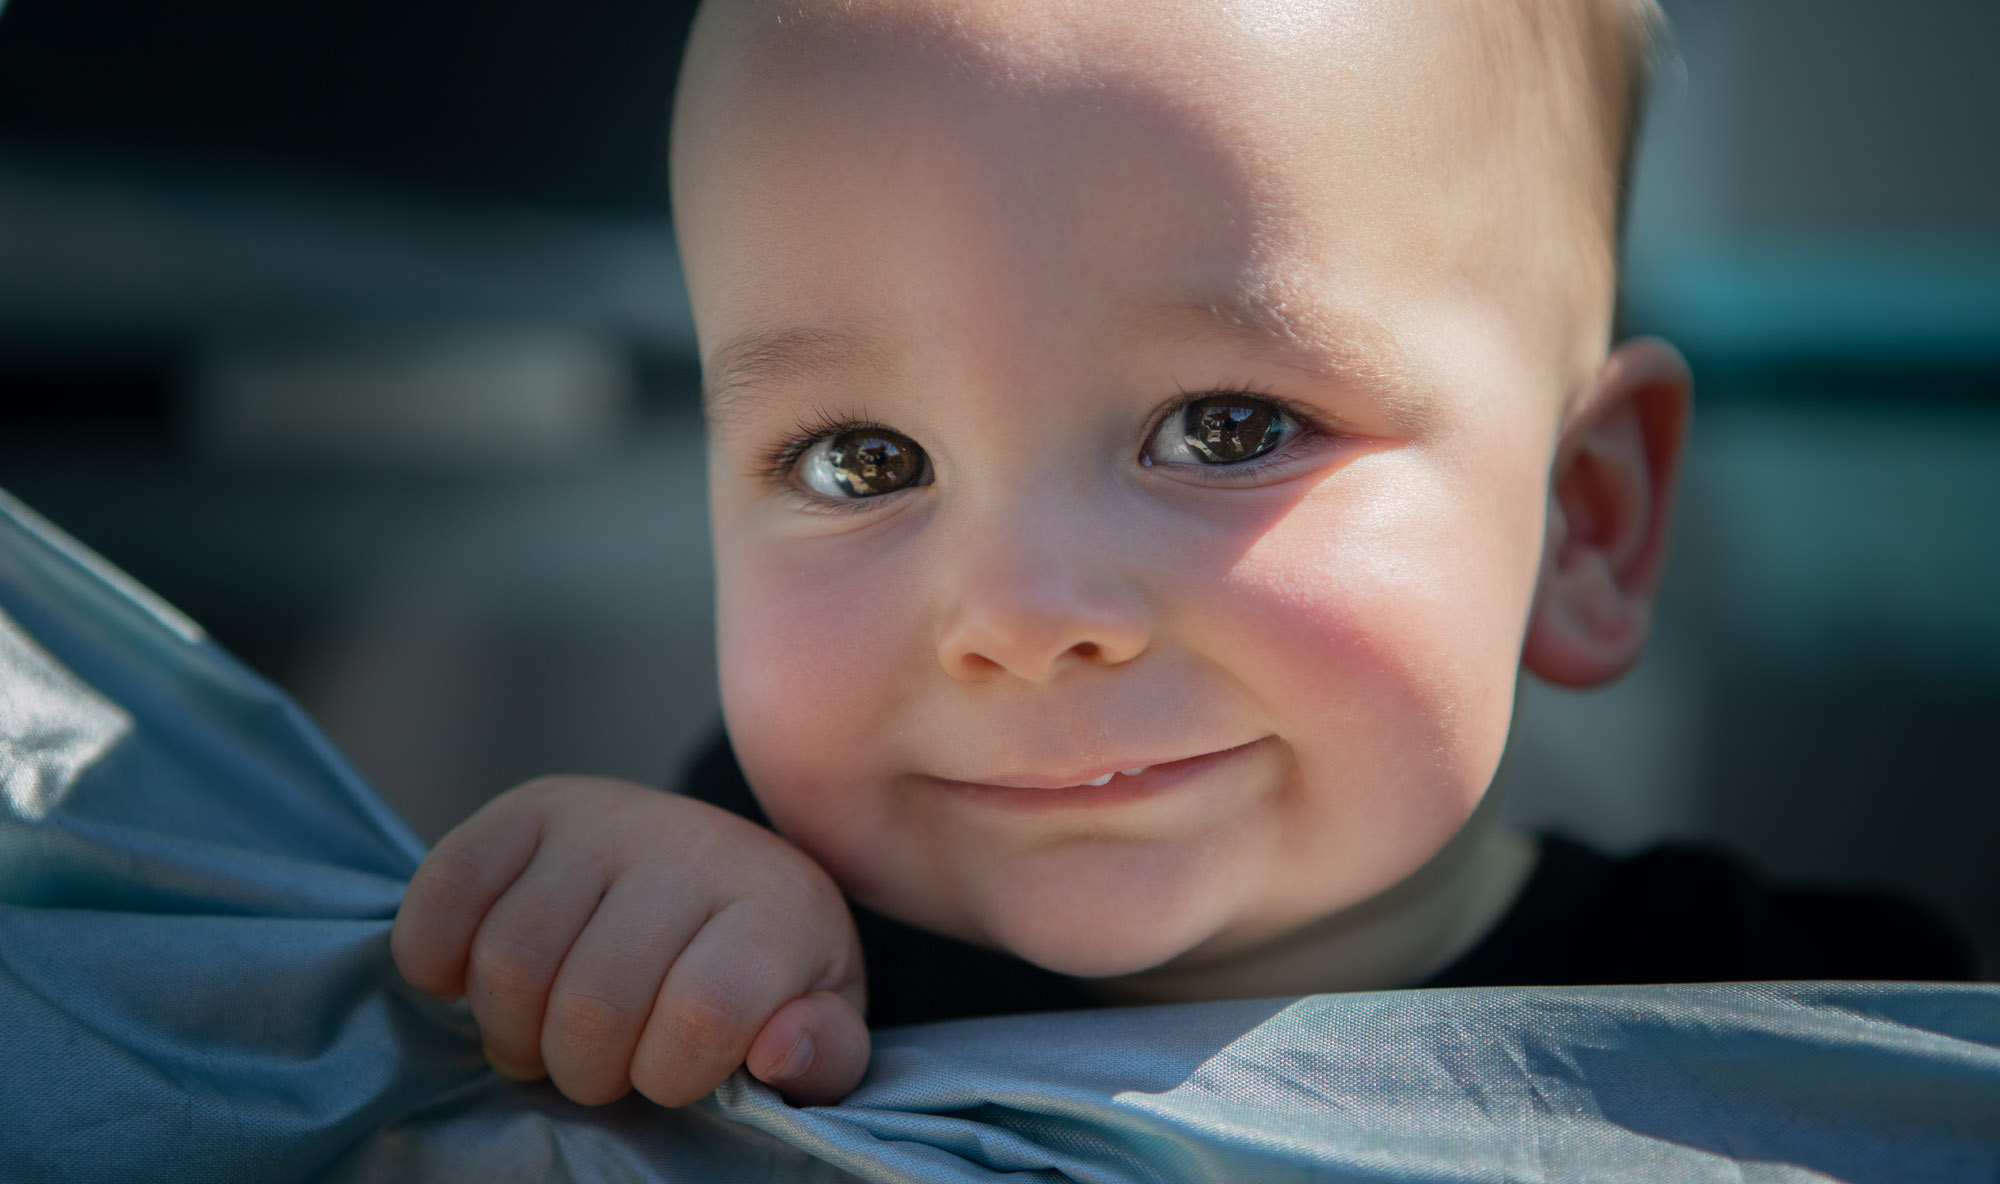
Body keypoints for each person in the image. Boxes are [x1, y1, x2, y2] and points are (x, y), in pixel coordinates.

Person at [391, 0, 1976, 1113]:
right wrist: (590, 954)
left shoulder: (1813, 1042)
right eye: (862, 461)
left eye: (1225, 428)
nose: (1017, 616)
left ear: (1584, 519)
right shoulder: (742, 953)